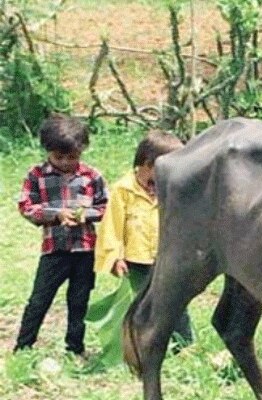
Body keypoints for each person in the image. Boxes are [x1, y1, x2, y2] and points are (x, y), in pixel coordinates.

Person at [14, 114, 108, 357]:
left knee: (79, 302)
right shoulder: (36, 176)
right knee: (39, 301)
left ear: (82, 150)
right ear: (47, 150)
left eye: (73, 157)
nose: (66, 162)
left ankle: (75, 348)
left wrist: (85, 215)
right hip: (54, 250)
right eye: (59, 157)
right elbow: (26, 206)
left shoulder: (92, 176)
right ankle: (24, 347)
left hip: (84, 249)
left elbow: (105, 207)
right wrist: (56, 215)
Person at [93, 130, 192, 348]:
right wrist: (115, 257)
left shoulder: (173, 190)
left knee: (177, 301)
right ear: (147, 164)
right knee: (142, 304)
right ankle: (142, 344)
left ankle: (184, 344)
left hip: (166, 258)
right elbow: (113, 226)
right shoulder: (123, 190)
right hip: (136, 260)